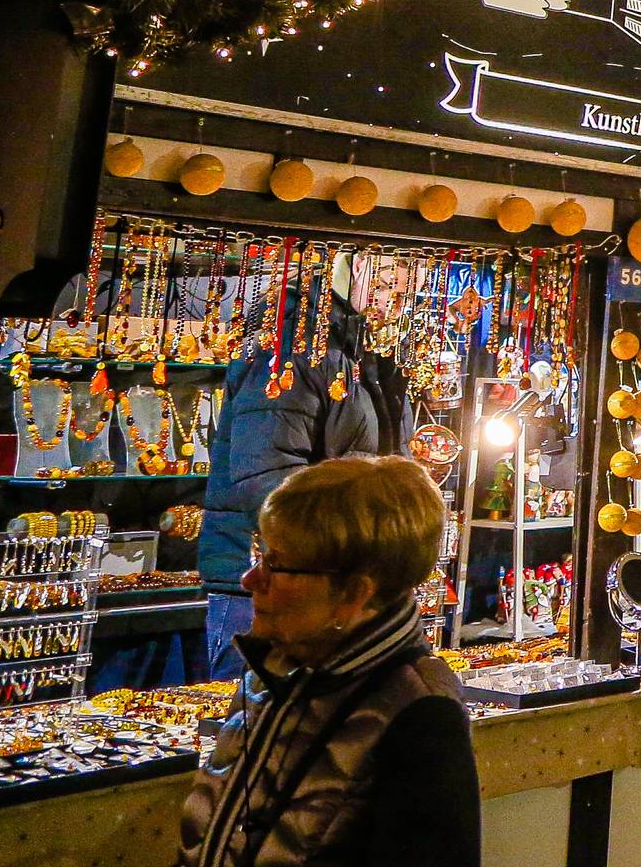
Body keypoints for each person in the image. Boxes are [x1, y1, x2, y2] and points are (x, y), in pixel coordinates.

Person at [180, 455, 478, 867]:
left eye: (276, 564)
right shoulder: (274, 667)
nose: (250, 580)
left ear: (353, 593)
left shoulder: (420, 715)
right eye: (260, 555)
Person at [203, 281, 383, 680]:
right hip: (274, 587)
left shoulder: (350, 345)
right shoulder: (297, 344)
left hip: (316, 581)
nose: (407, 288)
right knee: (255, 724)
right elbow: (268, 480)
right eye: (389, 276)